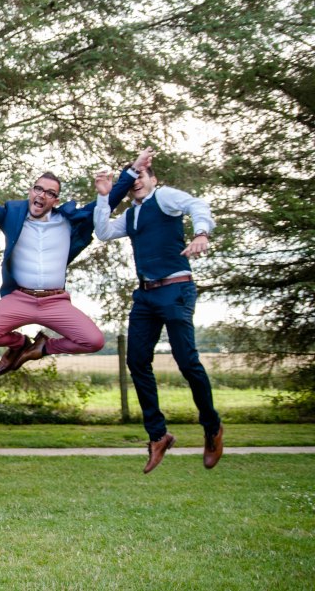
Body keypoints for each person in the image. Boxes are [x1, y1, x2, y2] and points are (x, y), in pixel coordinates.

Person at [0, 141, 144, 375]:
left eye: (50, 193)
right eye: (38, 189)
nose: (42, 195)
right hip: (20, 298)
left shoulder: (68, 223)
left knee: (93, 341)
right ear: (31, 192)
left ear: (56, 200)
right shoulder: (11, 217)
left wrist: (132, 172)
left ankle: (43, 347)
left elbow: (107, 201)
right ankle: (20, 344)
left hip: (55, 301)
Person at [93, 159, 223, 473]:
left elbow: (196, 204)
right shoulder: (131, 215)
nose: (136, 182)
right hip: (146, 295)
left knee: (187, 361)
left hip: (175, 289)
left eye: (141, 175)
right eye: (131, 178)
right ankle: (158, 435)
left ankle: (212, 427)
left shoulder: (163, 198)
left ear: (153, 179)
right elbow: (103, 232)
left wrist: (201, 233)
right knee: (137, 361)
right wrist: (103, 197)